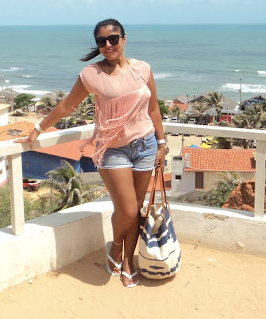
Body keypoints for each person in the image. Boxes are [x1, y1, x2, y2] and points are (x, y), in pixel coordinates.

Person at [15, 18, 166, 288]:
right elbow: (66, 106)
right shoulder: (90, 75)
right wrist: (38, 128)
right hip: (112, 150)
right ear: (97, 45)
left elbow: (153, 110)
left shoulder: (143, 69)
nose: (108, 45)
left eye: (113, 38)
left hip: (145, 146)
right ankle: (116, 246)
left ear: (124, 38)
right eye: (101, 41)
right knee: (128, 210)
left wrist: (162, 144)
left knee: (136, 210)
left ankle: (128, 262)